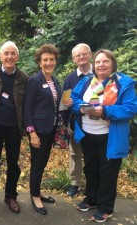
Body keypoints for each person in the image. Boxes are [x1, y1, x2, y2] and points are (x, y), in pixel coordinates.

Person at [71, 49, 137, 223]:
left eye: (105, 61)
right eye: (98, 62)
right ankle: (92, 199)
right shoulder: (86, 81)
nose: (101, 65)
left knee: (107, 173)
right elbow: (73, 98)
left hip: (110, 136)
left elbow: (130, 108)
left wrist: (105, 110)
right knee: (91, 169)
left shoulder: (123, 83)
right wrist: (79, 107)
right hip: (87, 134)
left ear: (112, 64)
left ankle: (105, 207)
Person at [23, 44, 70, 215]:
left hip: (51, 130)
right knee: (37, 164)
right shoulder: (34, 81)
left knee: (42, 163)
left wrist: (66, 104)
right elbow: (27, 109)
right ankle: (34, 196)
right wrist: (32, 133)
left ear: (55, 61)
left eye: (51, 59)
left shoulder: (55, 80)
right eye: (45, 60)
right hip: (38, 131)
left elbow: (55, 105)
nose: (49, 62)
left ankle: (38, 191)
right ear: (39, 62)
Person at [0, 41, 28, 214]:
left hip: (14, 129)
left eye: (12, 53)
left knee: (13, 164)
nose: (9, 57)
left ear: (17, 57)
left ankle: (11, 196)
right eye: (6, 53)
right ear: (0, 56)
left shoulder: (23, 78)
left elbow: (27, 105)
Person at [62, 43, 93, 197]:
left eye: (84, 54)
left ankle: (92, 184)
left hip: (98, 124)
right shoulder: (70, 79)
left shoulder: (101, 74)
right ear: (74, 59)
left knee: (94, 155)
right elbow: (65, 102)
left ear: (90, 55)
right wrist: (66, 123)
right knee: (75, 154)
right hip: (76, 123)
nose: (81, 57)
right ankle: (75, 183)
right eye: (77, 55)